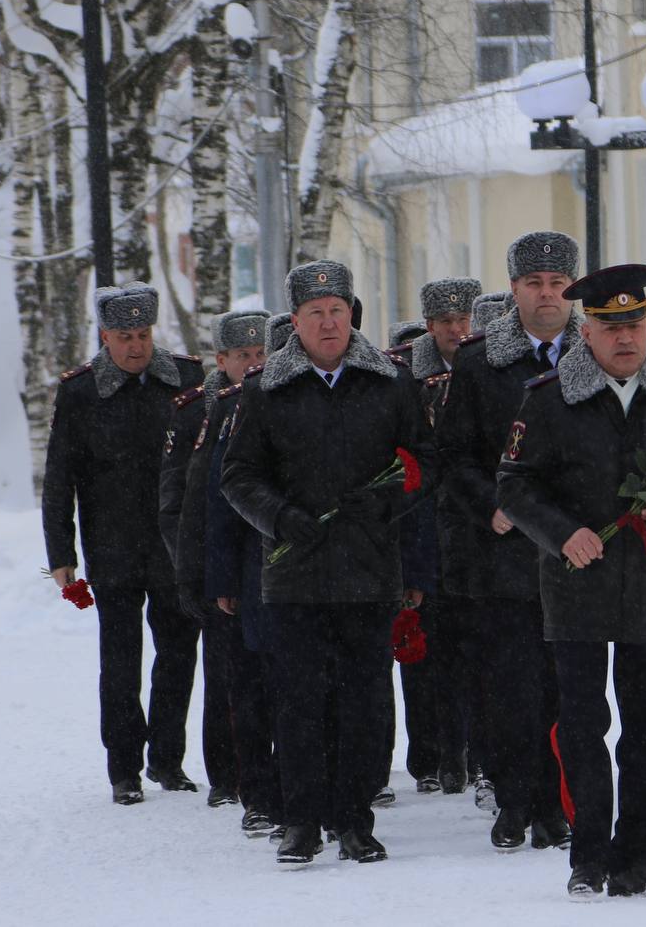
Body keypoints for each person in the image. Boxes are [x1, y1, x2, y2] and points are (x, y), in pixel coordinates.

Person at [496, 264, 646, 900]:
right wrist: (561, 533)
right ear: (591, 331)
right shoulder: (548, 398)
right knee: (581, 725)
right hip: (578, 586)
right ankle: (588, 856)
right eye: (611, 326)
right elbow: (515, 487)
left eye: (634, 323)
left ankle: (637, 860)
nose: (624, 337)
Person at [221, 260, 438, 865]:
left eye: (337, 311)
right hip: (295, 573)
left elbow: (425, 462)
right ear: (295, 323)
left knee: (365, 703)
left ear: (352, 315)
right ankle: (301, 822)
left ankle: (356, 819)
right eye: (315, 314)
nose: (327, 322)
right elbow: (237, 474)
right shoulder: (266, 388)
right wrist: (278, 515)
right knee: (298, 703)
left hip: (368, 570)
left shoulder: (391, 383)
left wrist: (388, 499)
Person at [438, 232, 579, 851]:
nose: (547, 296)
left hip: (578, 553)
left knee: (566, 687)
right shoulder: (478, 362)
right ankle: (514, 800)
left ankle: (559, 803)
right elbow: (454, 456)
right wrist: (492, 504)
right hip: (502, 555)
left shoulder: (596, 348)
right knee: (509, 685)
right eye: (534, 284)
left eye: (558, 284)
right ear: (514, 289)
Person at [42, 282, 205, 805]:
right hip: (112, 546)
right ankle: (124, 768)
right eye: (124, 336)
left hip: (173, 546)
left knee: (177, 654)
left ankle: (167, 759)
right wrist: (61, 555)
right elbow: (59, 477)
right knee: (120, 660)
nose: (136, 346)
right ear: (105, 336)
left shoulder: (185, 380)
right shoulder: (82, 392)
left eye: (143, 334)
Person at [159, 308, 268, 808]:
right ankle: (226, 775)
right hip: (216, 560)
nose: (252, 362)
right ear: (219, 359)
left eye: (260, 352)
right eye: (242, 354)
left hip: (266, 556)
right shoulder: (194, 412)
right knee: (223, 676)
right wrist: (192, 568)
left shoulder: (271, 400)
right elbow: (178, 502)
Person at [195, 312, 293, 837]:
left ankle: (303, 792)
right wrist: (222, 582)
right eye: (251, 356)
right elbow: (218, 503)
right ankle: (257, 793)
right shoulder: (234, 410)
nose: (260, 364)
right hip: (255, 572)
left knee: (302, 692)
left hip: (311, 572)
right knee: (254, 692)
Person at [387, 279, 483, 796]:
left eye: (463, 320)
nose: (456, 329)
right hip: (423, 527)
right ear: (429, 325)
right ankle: (430, 755)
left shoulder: (484, 366)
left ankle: (470, 751)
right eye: (445, 322)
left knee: (474, 651)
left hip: (475, 528)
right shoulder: (405, 376)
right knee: (423, 652)